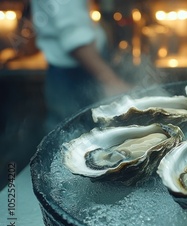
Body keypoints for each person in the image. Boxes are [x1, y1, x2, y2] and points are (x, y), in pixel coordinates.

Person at [31, 0, 132, 132]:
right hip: (74, 76)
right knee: (73, 138)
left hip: (74, 72)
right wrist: (111, 81)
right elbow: (75, 40)